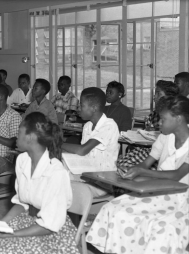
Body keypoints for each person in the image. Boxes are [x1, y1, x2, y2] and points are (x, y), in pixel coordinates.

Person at [0, 112, 79, 254]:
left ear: (30, 137)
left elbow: (49, 225)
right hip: (28, 219)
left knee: (4, 249)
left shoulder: (56, 172)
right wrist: (0, 225)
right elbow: (21, 203)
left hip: (50, 232)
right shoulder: (22, 160)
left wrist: (8, 235)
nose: (16, 137)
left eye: (19, 132)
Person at [87, 95, 189, 254]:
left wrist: (142, 172)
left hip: (183, 199)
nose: (159, 123)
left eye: (163, 119)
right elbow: (146, 163)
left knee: (161, 228)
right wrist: (133, 170)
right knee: (113, 208)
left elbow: (177, 175)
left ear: (179, 119)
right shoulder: (164, 137)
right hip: (159, 191)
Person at [62, 87, 120, 196]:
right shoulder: (87, 126)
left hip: (104, 181)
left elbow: (83, 150)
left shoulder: (109, 125)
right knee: (57, 176)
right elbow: (83, 155)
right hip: (88, 174)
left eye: (82, 105)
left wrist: (59, 143)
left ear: (93, 108)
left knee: (64, 186)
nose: (79, 108)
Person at [117, 80, 179, 170]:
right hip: (148, 149)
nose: (154, 97)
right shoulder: (153, 115)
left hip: (155, 153)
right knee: (121, 164)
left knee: (127, 165)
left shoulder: (175, 127)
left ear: (169, 97)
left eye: (158, 93)